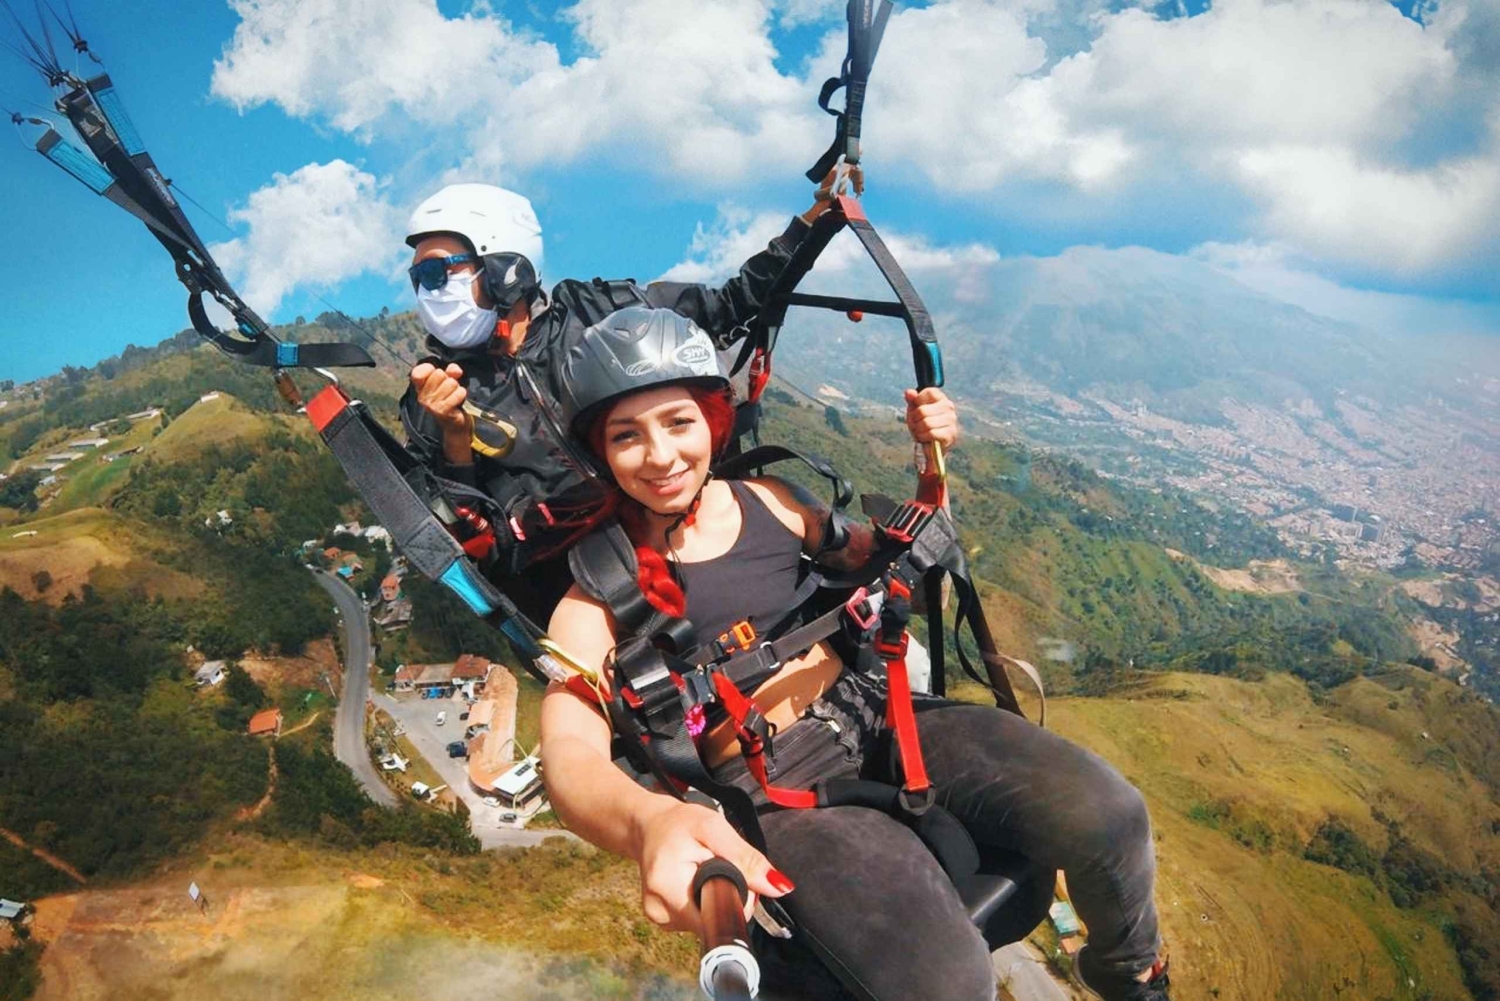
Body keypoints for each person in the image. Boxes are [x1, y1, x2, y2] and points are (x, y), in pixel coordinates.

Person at [538, 307, 1171, 1001]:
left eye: (678, 422)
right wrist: (649, 820)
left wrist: (930, 466)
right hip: (777, 800)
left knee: (1111, 814)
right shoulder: (595, 601)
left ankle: (1127, 974)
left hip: (882, 713)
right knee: (947, 985)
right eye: (627, 435)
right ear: (600, 452)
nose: (659, 455)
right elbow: (570, 756)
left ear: (713, 423)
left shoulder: (773, 501)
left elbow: (889, 559)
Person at [399, 178, 849, 625]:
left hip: (693, 530)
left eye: (438, 273)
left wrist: (807, 228)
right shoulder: (431, 399)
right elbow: (472, 545)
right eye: (418, 278)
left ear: (503, 266)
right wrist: (454, 441)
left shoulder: (601, 311)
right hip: (588, 591)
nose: (428, 292)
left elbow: (729, 305)